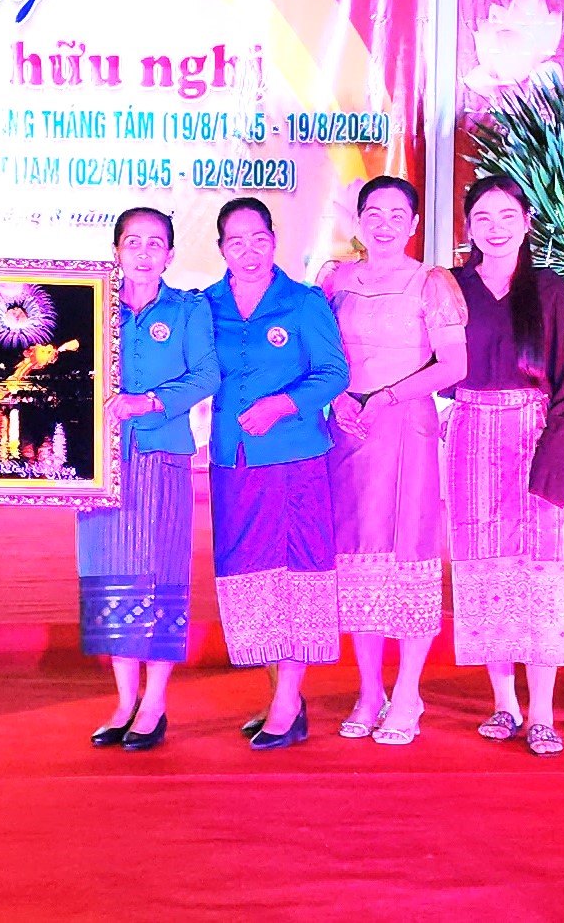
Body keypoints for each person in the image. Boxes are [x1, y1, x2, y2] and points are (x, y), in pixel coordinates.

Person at [317, 176, 465, 747]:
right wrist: (338, 398)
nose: (384, 225)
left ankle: (407, 693)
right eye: (373, 213)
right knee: (357, 553)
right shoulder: (334, 280)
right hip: (347, 428)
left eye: (397, 215)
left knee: (407, 551)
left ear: (414, 224)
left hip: (404, 425)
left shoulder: (432, 282)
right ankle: (368, 689)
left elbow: (453, 365)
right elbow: (319, 355)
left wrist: (384, 398)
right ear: (358, 221)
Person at [445, 174, 564, 758]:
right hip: (471, 436)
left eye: (507, 216)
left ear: (527, 223)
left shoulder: (548, 291)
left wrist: (556, 455)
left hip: (535, 437)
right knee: (486, 569)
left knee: (540, 572)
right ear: (468, 228)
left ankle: (543, 712)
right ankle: (505, 704)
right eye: (483, 217)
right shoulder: (451, 288)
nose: (495, 228)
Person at [206, 196, 348, 750]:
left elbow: (334, 373)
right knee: (251, 575)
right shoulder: (205, 306)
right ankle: (278, 694)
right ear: (222, 248)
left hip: (295, 460)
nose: (249, 252)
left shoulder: (303, 302)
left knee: (295, 571)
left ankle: (289, 700)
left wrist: (282, 405)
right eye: (236, 242)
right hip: (232, 461)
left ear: (274, 241)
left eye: (259, 240)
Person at [77, 206, 216, 752]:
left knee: (159, 577)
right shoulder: (93, 307)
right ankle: (122, 701)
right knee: (110, 575)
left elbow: (206, 375)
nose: (142, 252)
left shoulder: (188, 309)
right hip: (102, 465)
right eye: (132, 242)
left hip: (161, 456)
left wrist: (150, 401)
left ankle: (154, 703)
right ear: (115, 252)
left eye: (154, 243)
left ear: (170, 254)